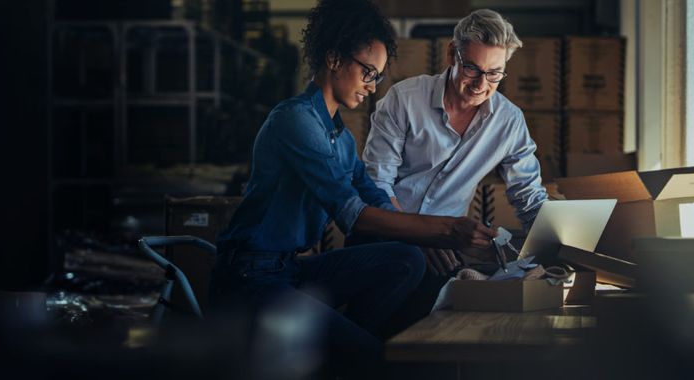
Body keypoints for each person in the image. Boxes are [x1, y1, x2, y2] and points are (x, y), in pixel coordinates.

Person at [209, 1, 496, 378]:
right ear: (332, 58)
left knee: (405, 259)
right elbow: (352, 217)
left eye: (377, 76)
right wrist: (445, 230)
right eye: (367, 72)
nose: (372, 87)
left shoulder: (338, 135)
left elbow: (372, 194)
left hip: (290, 269)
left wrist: (425, 240)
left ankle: (341, 352)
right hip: (250, 278)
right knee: (373, 357)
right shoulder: (296, 121)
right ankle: (350, 355)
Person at [361, 9, 549, 336]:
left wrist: (559, 246)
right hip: (382, 235)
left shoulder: (508, 121)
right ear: (452, 54)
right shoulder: (404, 100)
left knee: (441, 332)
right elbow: (376, 184)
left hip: (444, 250)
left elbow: (529, 198)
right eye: (472, 68)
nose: (481, 84)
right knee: (381, 335)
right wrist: (416, 233)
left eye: (494, 74)